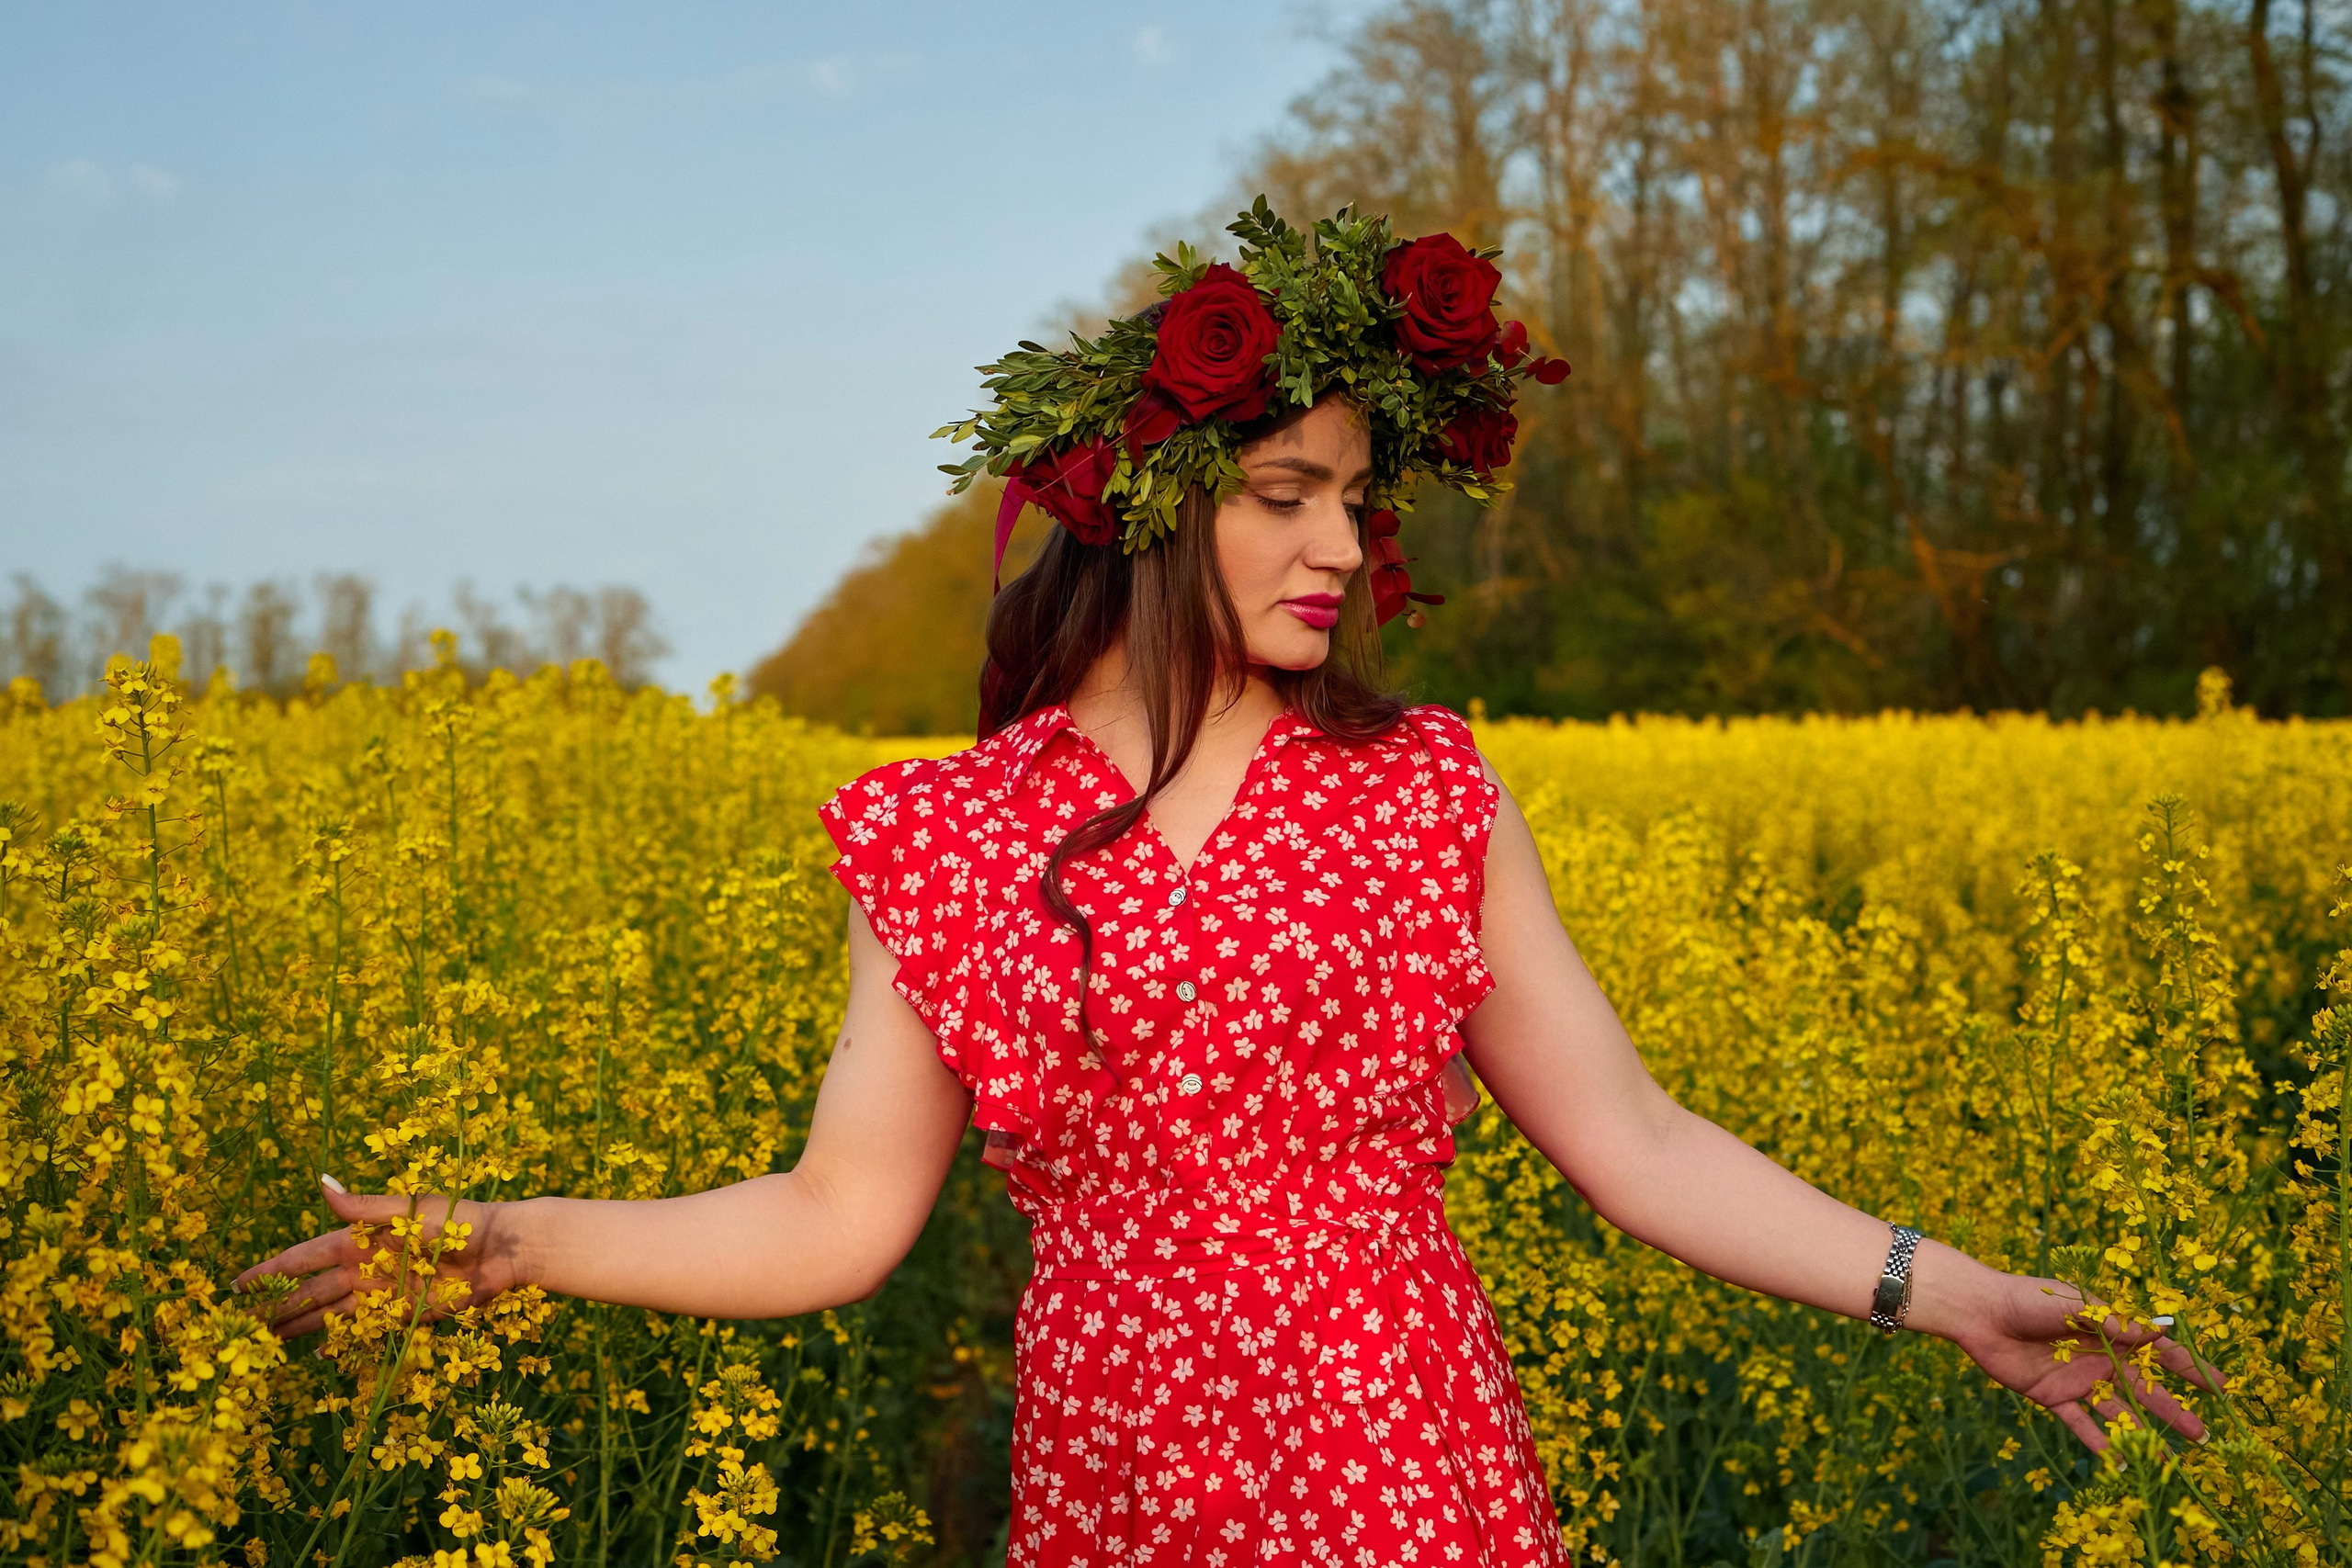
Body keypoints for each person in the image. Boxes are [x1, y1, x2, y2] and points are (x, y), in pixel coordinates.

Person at [242, 205, 2214, 1568]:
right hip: (1121, 1476)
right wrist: (516, 1241)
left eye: (1357, 499)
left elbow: (1634, 1141)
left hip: (1403, 1458)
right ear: (1152, 503)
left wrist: (1947, 1291)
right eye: (1288, 494)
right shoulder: (945, 833)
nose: (1342, 543)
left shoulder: (1422, 789)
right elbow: (837, 1217)